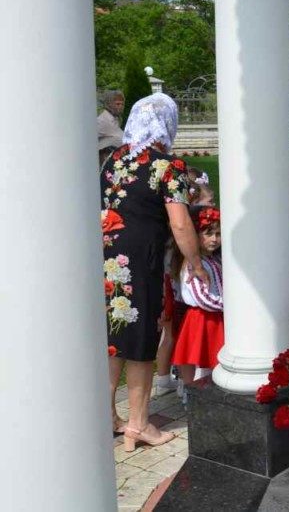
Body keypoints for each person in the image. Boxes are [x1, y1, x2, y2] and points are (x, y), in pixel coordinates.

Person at [103, 93, 209, 450]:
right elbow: (179, 223)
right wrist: (196, 264)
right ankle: (139, 424)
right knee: (141, 340)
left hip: (108, 256)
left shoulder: (113, 160)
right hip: (141, 259)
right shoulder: (168, 165)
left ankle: (107, 417)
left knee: (114, 339)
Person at [170, 206, 224, 389]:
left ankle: (207, 388)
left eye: (218, 234)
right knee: (192, 355)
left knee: (212, 355)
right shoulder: (194, 264)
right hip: (201, 317)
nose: (214, 239)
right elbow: (202, 297)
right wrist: (227, 305)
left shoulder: (213, 259)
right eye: (208, 234)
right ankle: (188, 389)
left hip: (214, 316)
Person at [97, 90, 125, 164]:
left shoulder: (115, 119)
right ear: (109, 104)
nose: (121, 107)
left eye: (122, 104)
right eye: (117, 104)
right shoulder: (102, 120)